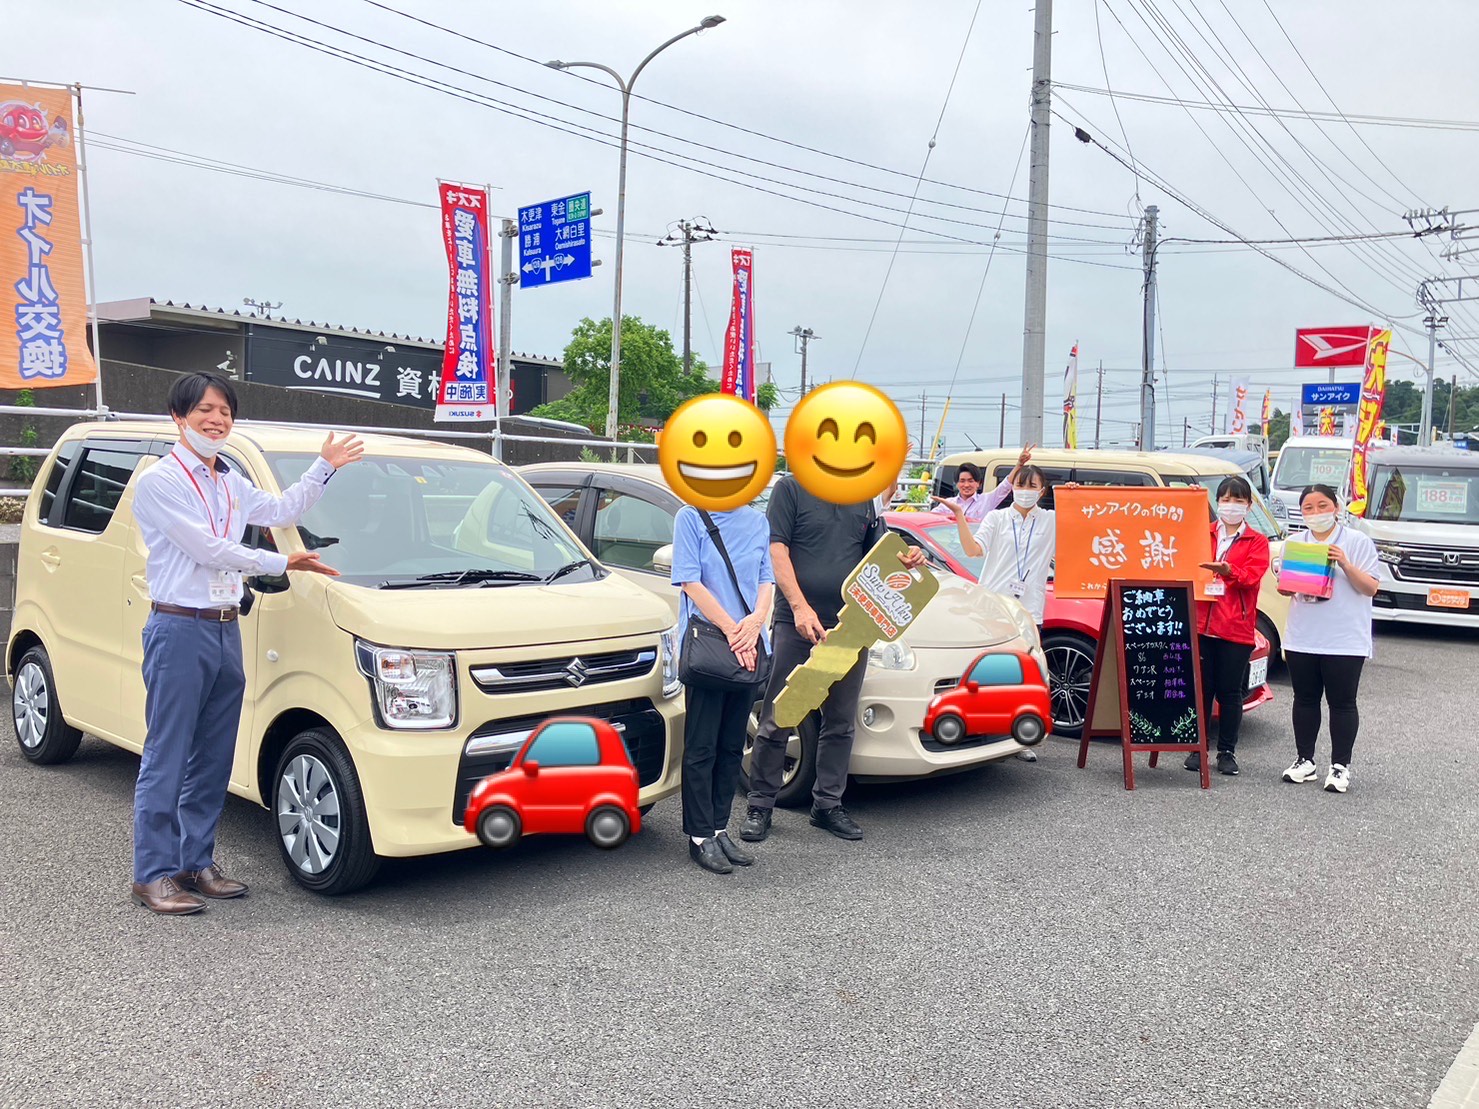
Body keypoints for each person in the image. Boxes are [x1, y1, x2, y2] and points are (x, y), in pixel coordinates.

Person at [128, 372, 363, 915]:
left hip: (224, 625)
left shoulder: (228, 480)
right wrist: (282, 561)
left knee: (213, 754)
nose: (217, 420)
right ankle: (153, 874)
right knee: (167, 754)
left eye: (225, 413)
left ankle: (196, 862)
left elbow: (281, 511)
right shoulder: (160, 480)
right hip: (179, 627)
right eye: (206, 411)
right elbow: (208, 548)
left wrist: (323, 466)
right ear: (178, 417)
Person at [741, 477, 927, 843]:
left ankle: (827, 804)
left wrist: (908, 556)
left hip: (851, 626)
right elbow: (776, 549)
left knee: (840, 720)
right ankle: (760, 804)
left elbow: (881, 555)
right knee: (782, 712)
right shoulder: (791, 489)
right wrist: (799, 607)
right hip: (797, 621)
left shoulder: (864, 497)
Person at [670, 502, 775, 875]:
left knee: (731, 745)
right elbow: (690, 581)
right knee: (702, 746)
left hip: (749, 642)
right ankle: (699, 837)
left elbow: (767, 578)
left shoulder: (757, 519)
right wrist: (735, 632)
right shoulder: (691, 516)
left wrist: (756, 622)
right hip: (712, 644)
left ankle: (718, 827)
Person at [938, 464, 1066, 762]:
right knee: (983, 673)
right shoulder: (996, 518)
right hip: (992, 607)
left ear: (1042, 491)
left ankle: (1017, 738)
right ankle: (974, 730)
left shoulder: (1051, 521)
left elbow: (1087, 522)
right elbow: (973, 551)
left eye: (1032, 485)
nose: (1025, 490)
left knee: (1023, 674)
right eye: (1020, 484)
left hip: (1028, 610)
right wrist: (959, 518)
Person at [1277, 483, 1379, 794]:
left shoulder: (1357, 542)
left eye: (1323, 506)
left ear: (1335, 507)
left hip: (1344, 637)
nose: (1316, 513)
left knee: (1342, 702)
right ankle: (1304, 761)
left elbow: (1371, 588)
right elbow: (1285, 588)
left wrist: (1345, 563)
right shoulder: (1294, 543)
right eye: (1309, 507)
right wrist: (1288, 582)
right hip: (1303, 635)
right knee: (1304, 699)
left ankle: (1340, 766)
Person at [1188, 475, 1271, 777]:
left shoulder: (1257, 541)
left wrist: (1228, 570)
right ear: (1217, 501)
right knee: (1201, 689)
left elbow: (1251, 576)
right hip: (1200, 623)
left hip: (1235, 627)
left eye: (1238, 500)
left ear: (1249, 505)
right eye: (1226, 499)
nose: (1231, 505)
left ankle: (1227, 752)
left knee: (1230, 692)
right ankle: (1197, 749)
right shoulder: (1202, 533)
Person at [929, 445, 1036, 524]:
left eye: (971, 481)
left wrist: (1019, 464)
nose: (966, 485)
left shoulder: (986, 500)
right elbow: (930, 518)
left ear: (979, 484)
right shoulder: (948, 504)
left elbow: (1005, 486)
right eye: (962, 481)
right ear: (957, 484)